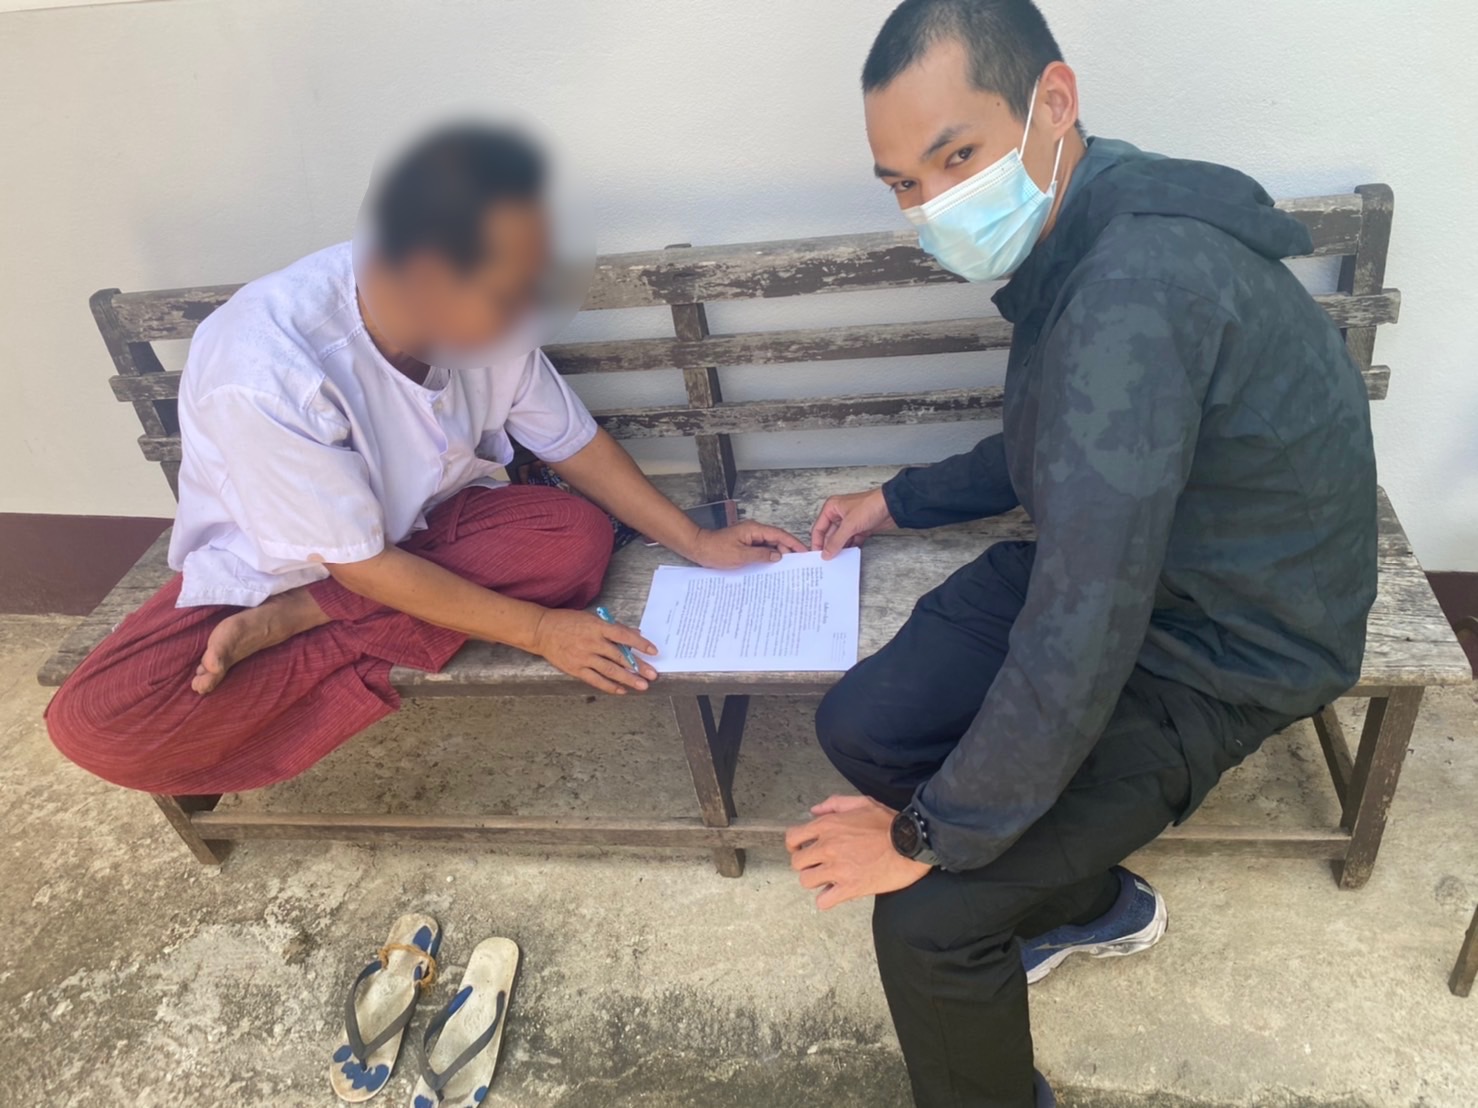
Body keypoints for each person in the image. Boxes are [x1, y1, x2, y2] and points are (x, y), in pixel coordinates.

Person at [783, 2, 1377, 1106]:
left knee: (927, 921)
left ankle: (1008, 927)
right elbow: (1061, 447)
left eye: (955, 156)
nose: (931, 205)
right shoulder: (1091, 212)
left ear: (1051, 101)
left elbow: (1085, 626)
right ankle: (1084, 902)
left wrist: (927, 836)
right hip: (1139, 561)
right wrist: (897, 501)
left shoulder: (1133, 293)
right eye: (902, 182)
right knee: (863, 724)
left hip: (1222, 643)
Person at [46, 122, 804, 797]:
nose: (524, 316)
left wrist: (696, 541)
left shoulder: (490, 301)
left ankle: (304, 624)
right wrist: (540, 630)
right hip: (286, 567)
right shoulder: (266, 372)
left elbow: (572, 442)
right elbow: (359, 564)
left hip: (430, 532)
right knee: (99, 724)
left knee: (572, 536)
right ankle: (317, 618)